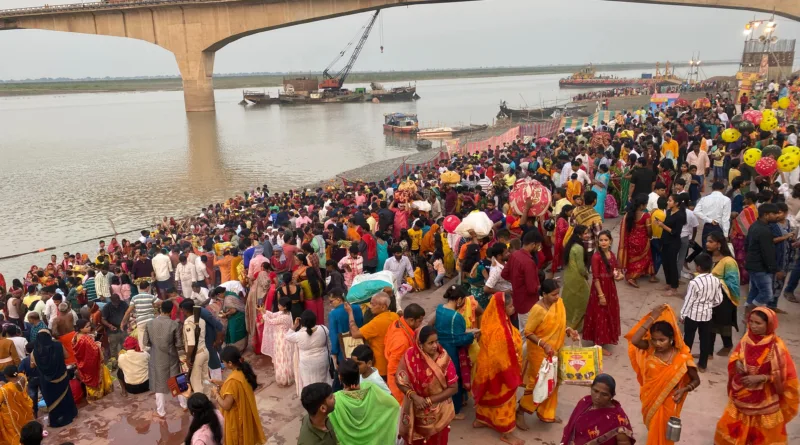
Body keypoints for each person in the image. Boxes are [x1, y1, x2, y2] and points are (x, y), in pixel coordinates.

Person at [714, 308, 799, 445]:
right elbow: (736, 356)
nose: (753, 326)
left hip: (765, 399)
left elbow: (784, 376)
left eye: (758, 323)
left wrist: (761, 378)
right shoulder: (746, 339)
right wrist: (737, 364)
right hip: (742, 394)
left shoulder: (776, 346)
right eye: (751, 321)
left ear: (769, 324)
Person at [625, 304, 701, 444]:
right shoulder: (650, 349)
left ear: (672, 338)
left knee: (663, 432)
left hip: (669, 400)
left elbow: (696, 380)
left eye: (662, 340)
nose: (657, 343)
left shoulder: (681, 358)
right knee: (654, 427)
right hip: (649, 396)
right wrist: (652, 317)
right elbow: (635, 340)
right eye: (654, 339)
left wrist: (684, 389)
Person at [519, 279, 580, 426]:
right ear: (544, 294)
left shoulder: (558, 304)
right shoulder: (537, 310)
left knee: (553, 383)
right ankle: (519, 412)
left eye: (558, 293)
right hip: (540, 353)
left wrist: (568, 330)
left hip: (555, 350)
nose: (557, 297)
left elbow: (559, 324)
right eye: (553, 295)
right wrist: (543, 344)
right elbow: (528, 332)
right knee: (538, 383)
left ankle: (546, 412)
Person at [472, 292, 524, 445]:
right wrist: (510, 371)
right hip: (501, 372)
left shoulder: (497, 320)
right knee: (505, 401)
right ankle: (507, 433)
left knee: (488, 396)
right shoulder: (498, 329)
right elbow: (499, 356)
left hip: (489, 370)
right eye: (510, 306)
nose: (513, 308)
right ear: (502, 308)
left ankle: (482, 420)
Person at [396, 326, 458, 445]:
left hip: (439, 413)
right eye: (430, 343)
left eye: (436, 341)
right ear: (420, 344)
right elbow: (400, 381)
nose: (435, 345)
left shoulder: (443, 359)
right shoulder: (409, 356)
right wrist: (415, 397)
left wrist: (428, 401)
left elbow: (453, 387)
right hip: (415, 411)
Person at [329, 358, 400, 444]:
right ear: (358, 373)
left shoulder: (336, 399)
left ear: (340, 377)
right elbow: (394, 405)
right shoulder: (370, 388)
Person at [430, 285, 476, 418]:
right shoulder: (456, 317)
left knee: (443, 378)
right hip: (452, 352)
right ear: (460, 299)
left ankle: (449, 404)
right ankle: (454, 411)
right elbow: (460, 339)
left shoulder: (439, 309)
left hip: (440, 349)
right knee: (454, 379)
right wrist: (472, 335)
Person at [210, 346, 266, 445]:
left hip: (235, 420)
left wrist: (216, 394)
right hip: (245, 415)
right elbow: (236, 389)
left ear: (230, 363)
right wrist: (222, 383)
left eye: (223, 362)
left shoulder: (233, 381)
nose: (223, 364)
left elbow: (226, 405)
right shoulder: (242, 371)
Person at [560, 374, 635, 445]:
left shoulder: (617, 419)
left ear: (612, 396)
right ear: (591, 388)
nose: (597, 397)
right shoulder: (584, 402)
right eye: (595, 391)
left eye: (604, 394)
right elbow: (570, 429)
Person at [679, 253, 724, 372]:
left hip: (692, 315)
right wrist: (709, 305)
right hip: (707, 315)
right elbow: (719, 300)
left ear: (698, 267)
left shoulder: (694, 283)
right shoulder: (716, 280)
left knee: (688, 339)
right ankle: (702, 365)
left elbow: (689, 300)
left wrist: (683, 314)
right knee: (705, 339)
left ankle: (686, 362)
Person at [143, 300, 187, 419]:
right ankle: (184, 405)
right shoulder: (175, 324)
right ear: (171, 310)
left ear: (161, 309)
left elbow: (145, 342)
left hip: (156, 357)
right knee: (178, 380)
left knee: (159, 384)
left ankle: (161, 411)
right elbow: (179, 344)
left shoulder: (149, 324)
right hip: (171, 357)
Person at [344, 291, 398, 379]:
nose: (370, 307)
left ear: (383, 307)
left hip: (380, 366)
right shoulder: (394, 316)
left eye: (373, 304)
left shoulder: (377, 322)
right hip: (391, 362)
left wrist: (350, 313)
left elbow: (355, 333)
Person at [584, 231, 622, 355]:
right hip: (599, 289)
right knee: (599, 315)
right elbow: (595, 278)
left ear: (610, 241)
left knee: (608, 314)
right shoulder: (596, 257)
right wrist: (601, 295)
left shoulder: (611, 254)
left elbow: (615, 271)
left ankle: (605, 339)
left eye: (606, 240)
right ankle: (598, 345)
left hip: (610, 288)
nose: (603, 242)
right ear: (598, 242)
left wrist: (618, 276)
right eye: (601, 240)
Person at [32, 331, 77, 427]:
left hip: (46, 381)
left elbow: (34, 365)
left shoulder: (35, 352)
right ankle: (70, 414)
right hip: (61, 376)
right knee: (65, 397)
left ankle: (57, 420)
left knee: (51, 399)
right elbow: (67, 356)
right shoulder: (58, 345)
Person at [706, 232, 740, 357]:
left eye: (710, 241)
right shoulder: (707, 257)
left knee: (723, 324)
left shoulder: (728, 262)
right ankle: (708, 352)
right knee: (708, 324)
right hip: (708, 297)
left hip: (724, 298)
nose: (707, 244)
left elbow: (733, 282)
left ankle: (727, 345)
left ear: (719, 244)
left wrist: (714, 281)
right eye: (707, 241)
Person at [384, 303, 425, 403]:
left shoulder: (397, 323)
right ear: (411, 320)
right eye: (419, 321)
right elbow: (394, 368)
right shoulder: (402, 341)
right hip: (398, 382)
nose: (421, 324)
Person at [501, 229, 543, 329]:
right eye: (538, 246)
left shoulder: (514, 255)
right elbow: (532, 289)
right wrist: (543, 287)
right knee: (530, 334)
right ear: (533, 244)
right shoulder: (528, 262)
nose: (538, 248)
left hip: (518, 300)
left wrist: (516, 281)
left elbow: (504, 274)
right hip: (528, 304)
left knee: (523, 333)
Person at [285, 310, 332, 396]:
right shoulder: (323, 329)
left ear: (302, 322)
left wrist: (295, 326)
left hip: (307, 364)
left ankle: (313, 400)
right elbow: (329, 344)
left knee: (309, 382)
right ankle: (325, 397)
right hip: (323, 360)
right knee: (323, 379)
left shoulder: (299, 335)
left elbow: (287, 336)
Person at [745, 203, 781, 311]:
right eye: (774, 214)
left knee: (755, 291)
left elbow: (746, 245)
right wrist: (775, 269)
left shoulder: (755, 225)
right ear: (766, 215)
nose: (777, 216)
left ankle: (747, 313)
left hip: (753, 264)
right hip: (760, 267)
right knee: (767, 294)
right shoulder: (764, 231)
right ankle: (749, 313)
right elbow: (767, 252)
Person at [654, 194, 687, 297]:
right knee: (665, 262)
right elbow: (667, 224)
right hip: (665, 241)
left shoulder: (680, 215)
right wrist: (660, 223)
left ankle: (674, 287)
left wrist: (663, 225)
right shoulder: (668, 212)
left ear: (676, 203)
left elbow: (675, 232)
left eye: (670, 201)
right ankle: (668, 284)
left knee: (672, 264)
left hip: (674, 242)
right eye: (668, 200)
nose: (668, 202)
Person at [73, 319, 113, 400]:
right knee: (100, 376)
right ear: (81, 328)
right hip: (92, 365)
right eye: (87, 327)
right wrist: (98, 346)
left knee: (89, 381)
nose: (89, 328)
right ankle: (100, 396)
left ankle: (92, 397)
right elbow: (95, 350)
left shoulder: (75, 336)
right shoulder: (86, 338)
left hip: (83, 364)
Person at [618, 195, 653, 288]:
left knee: (631, 259)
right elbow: (649, 230)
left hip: (631, 240)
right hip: (642, 241)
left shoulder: (629, 214)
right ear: (642, 205)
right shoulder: (646, 215)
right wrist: (650, 236)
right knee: (644, 258)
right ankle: (632, 277)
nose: (646, 206)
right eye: (646, 204)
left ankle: (637, 273)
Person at [260, 297, 295, 387]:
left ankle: (284, 380)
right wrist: (264, 310)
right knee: (283, 359)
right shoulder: (285, 313)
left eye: (280, 305)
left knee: (282, 359)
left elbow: (271, 321)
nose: (278, 306)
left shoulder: (284, 317)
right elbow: (272, 314)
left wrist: (262, 313)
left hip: (282, 340)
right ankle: (286, 378)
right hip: (280, 339)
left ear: (285, 307)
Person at [562, 225, 590, 332]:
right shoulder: (579, 248)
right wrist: (587, 275)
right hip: (577, 279)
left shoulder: (572, 244)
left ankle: (568, 323)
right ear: (579, 235)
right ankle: (576, 326)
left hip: (569, 277)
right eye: (585, 233)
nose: (587, 235)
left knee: (570, 302)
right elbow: (581, 268)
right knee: (583, 302)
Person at [180, 300, 209, 397]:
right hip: (204, 351)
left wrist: (188, 358)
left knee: (195, 381)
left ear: (184, 310)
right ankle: (207, 399)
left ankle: (200, 405)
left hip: (197, 355)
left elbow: (191, 343)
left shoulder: (188, 322)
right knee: (205, 379)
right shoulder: (201, 320)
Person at [0, 365, 34, 445]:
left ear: (7, 376)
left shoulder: (6, 389)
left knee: (18, 429)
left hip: (16, 412)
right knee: (28, 424)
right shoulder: (22, 377)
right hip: (26, 406)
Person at [692, 181, 731, 249]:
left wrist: (709, 220)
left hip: (707, 226)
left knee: (706, 248)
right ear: (722, 189)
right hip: (719, 227)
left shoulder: (704, 198)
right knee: (718, 250)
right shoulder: (726, 200)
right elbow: (725, 218)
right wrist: (726, 234)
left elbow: (696, 211)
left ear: (712, 189)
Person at [730, 192, 758, 284]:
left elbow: (739, 223)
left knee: (740, 258)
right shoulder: (754, 208)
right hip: (749, 237)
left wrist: (734, 217)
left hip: (741, 237)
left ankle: (742, 278)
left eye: (745, 198)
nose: (744, 200)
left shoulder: (747, 210)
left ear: (750, 199)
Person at [217, 286, 248, 351]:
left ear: (220, 294)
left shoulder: (228, 299)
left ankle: (237, 349)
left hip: (236, 317)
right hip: (241, 315)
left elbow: (234, 310)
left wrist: (225, 314)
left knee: (235, 333)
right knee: (241, 331)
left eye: (218, 296)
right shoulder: (230, 293)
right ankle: (243, 346)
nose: (219, 298)